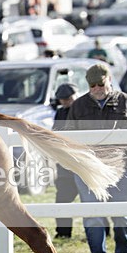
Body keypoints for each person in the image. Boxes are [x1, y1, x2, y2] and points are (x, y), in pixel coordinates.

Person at [65, 63, 127, 253]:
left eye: (100, 84)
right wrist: (78, 166)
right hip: (89, 169)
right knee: (92, 214)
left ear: (109, 80)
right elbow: (68, 138)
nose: (97, 89)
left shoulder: (126, 102)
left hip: (121, 167)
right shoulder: (78, 106)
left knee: (122, 213)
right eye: (92, 85)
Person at [52, 83, 79, 239]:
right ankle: (63, 232)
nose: (65, 102)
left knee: (92, 199)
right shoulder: (60, 112)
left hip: (80, 162)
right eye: (62, 99)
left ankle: (103, 230)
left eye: (68, 98)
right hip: (65, 163)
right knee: (62, 199)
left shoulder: (82, 110)